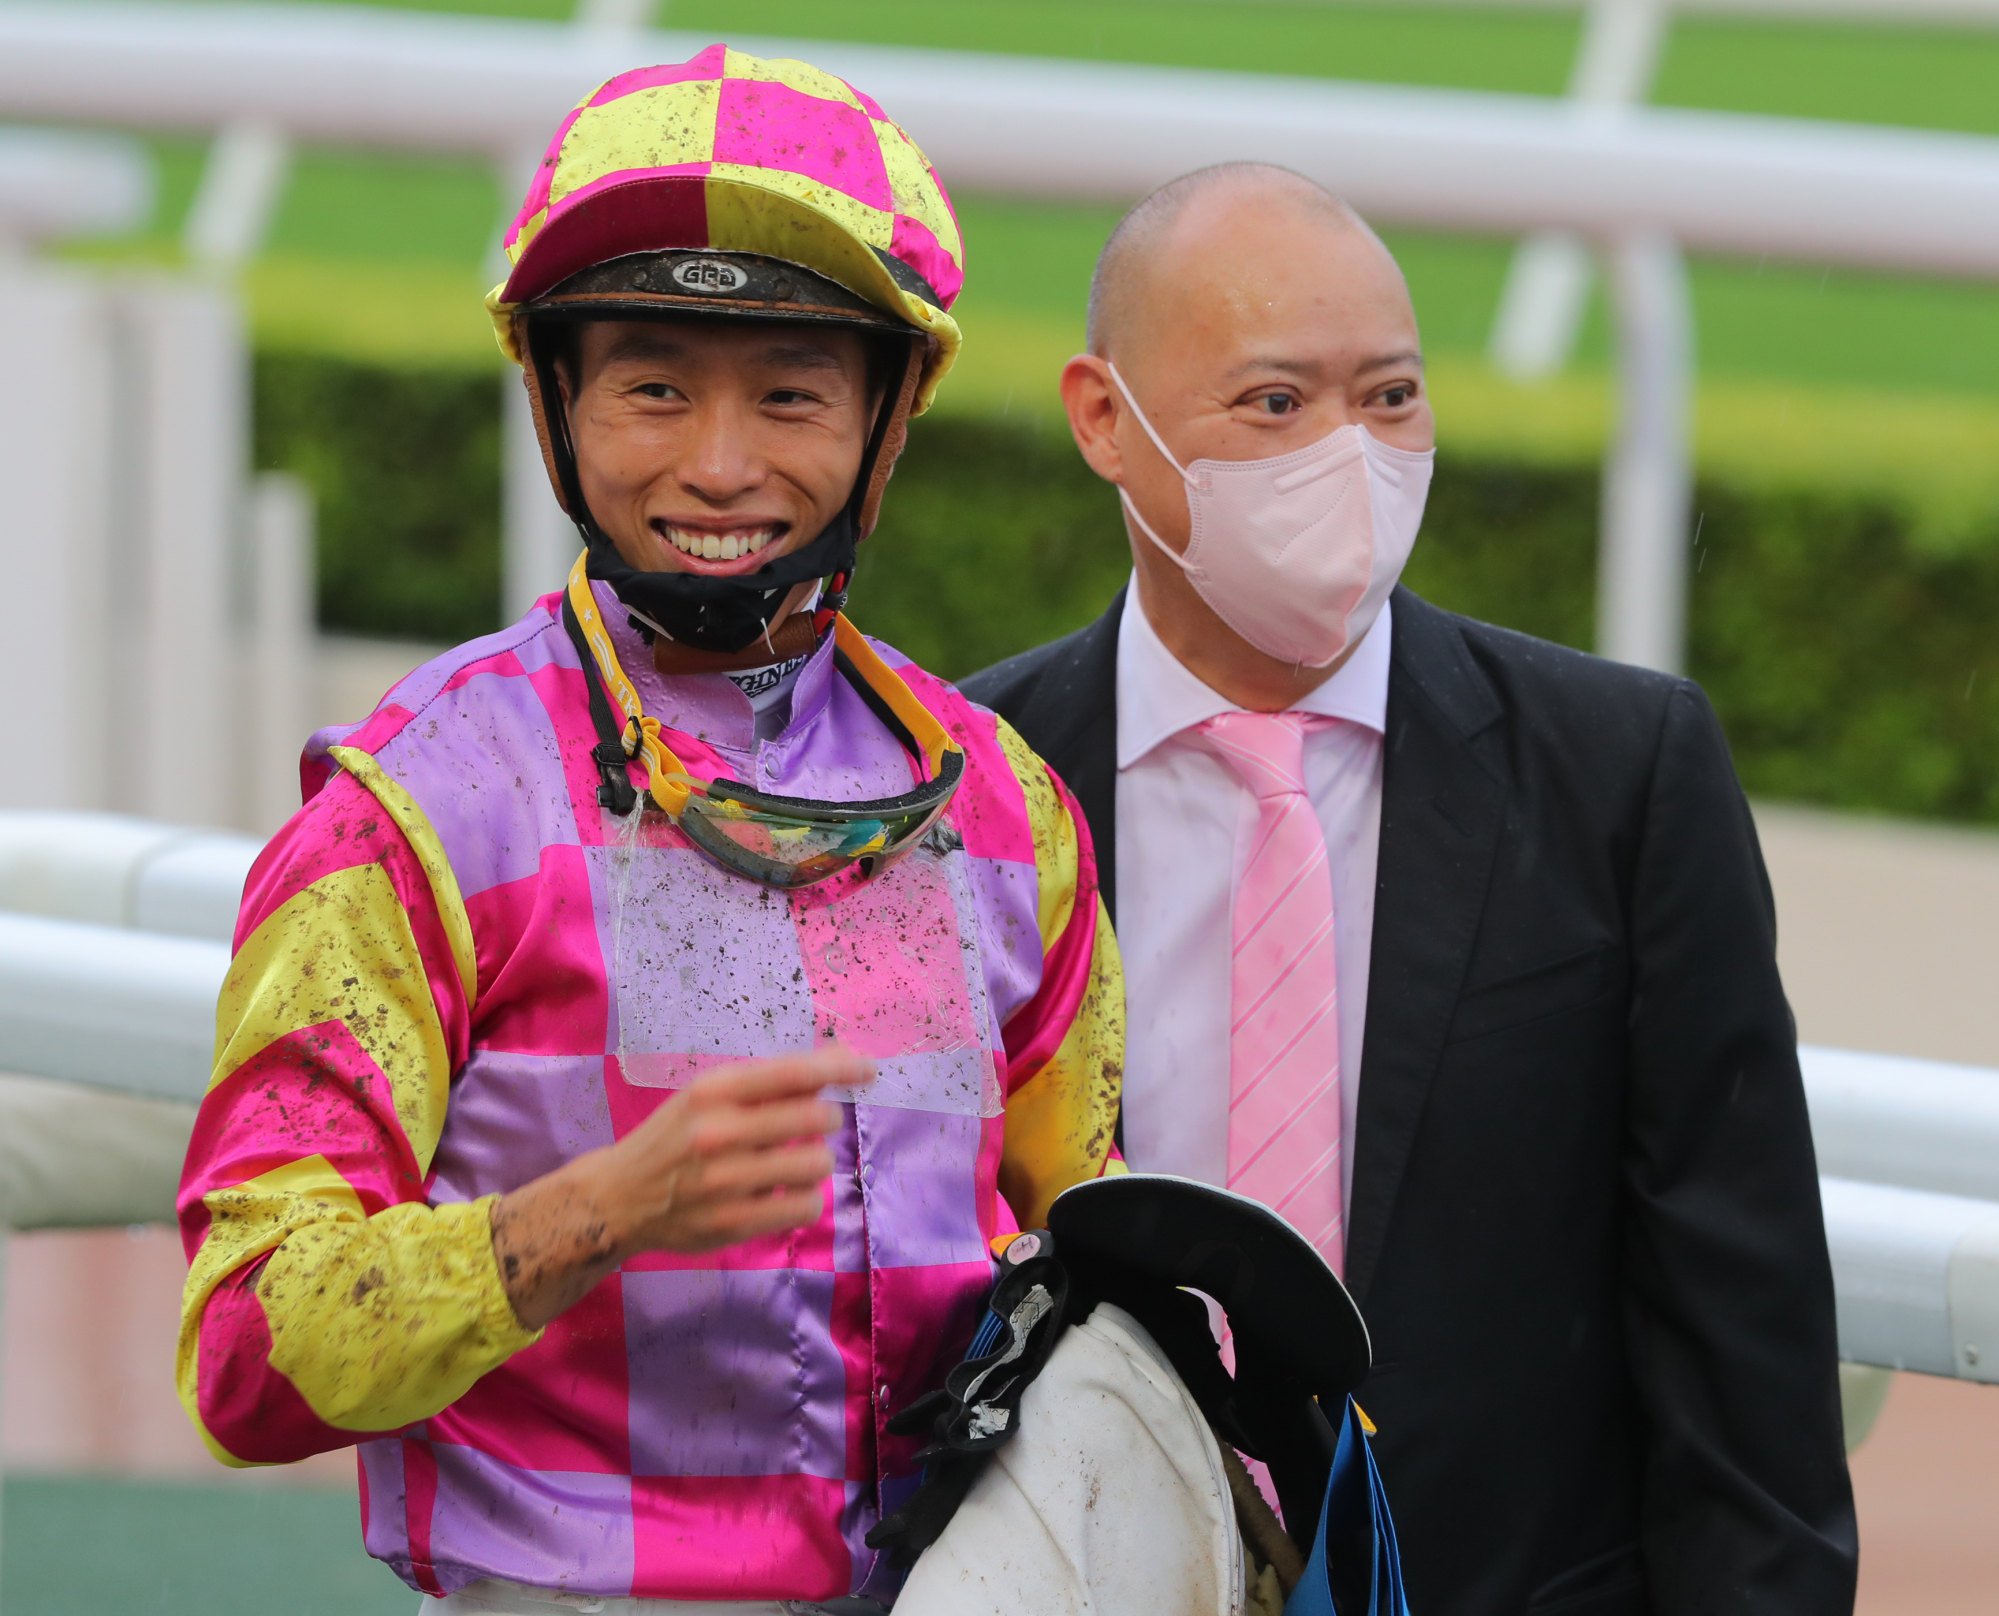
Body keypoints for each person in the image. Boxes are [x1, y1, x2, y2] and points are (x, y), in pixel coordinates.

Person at [175, 46, 1121, 1614]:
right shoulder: (413, 811)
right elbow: (247, 1351)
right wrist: (595, 1215)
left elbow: (1083, 1226)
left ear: (890, 424)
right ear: (558, 396)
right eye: (655, 385)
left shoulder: (1007, 812)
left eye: (794, 392)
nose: (722, 464)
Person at [965, 163, 1857, 1615]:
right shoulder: (966, 788)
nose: (1350, 455)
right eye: (1275, 404)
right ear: (1103, 419)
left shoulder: (1622, 774)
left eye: (1389, 398)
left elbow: (1740, 1336)